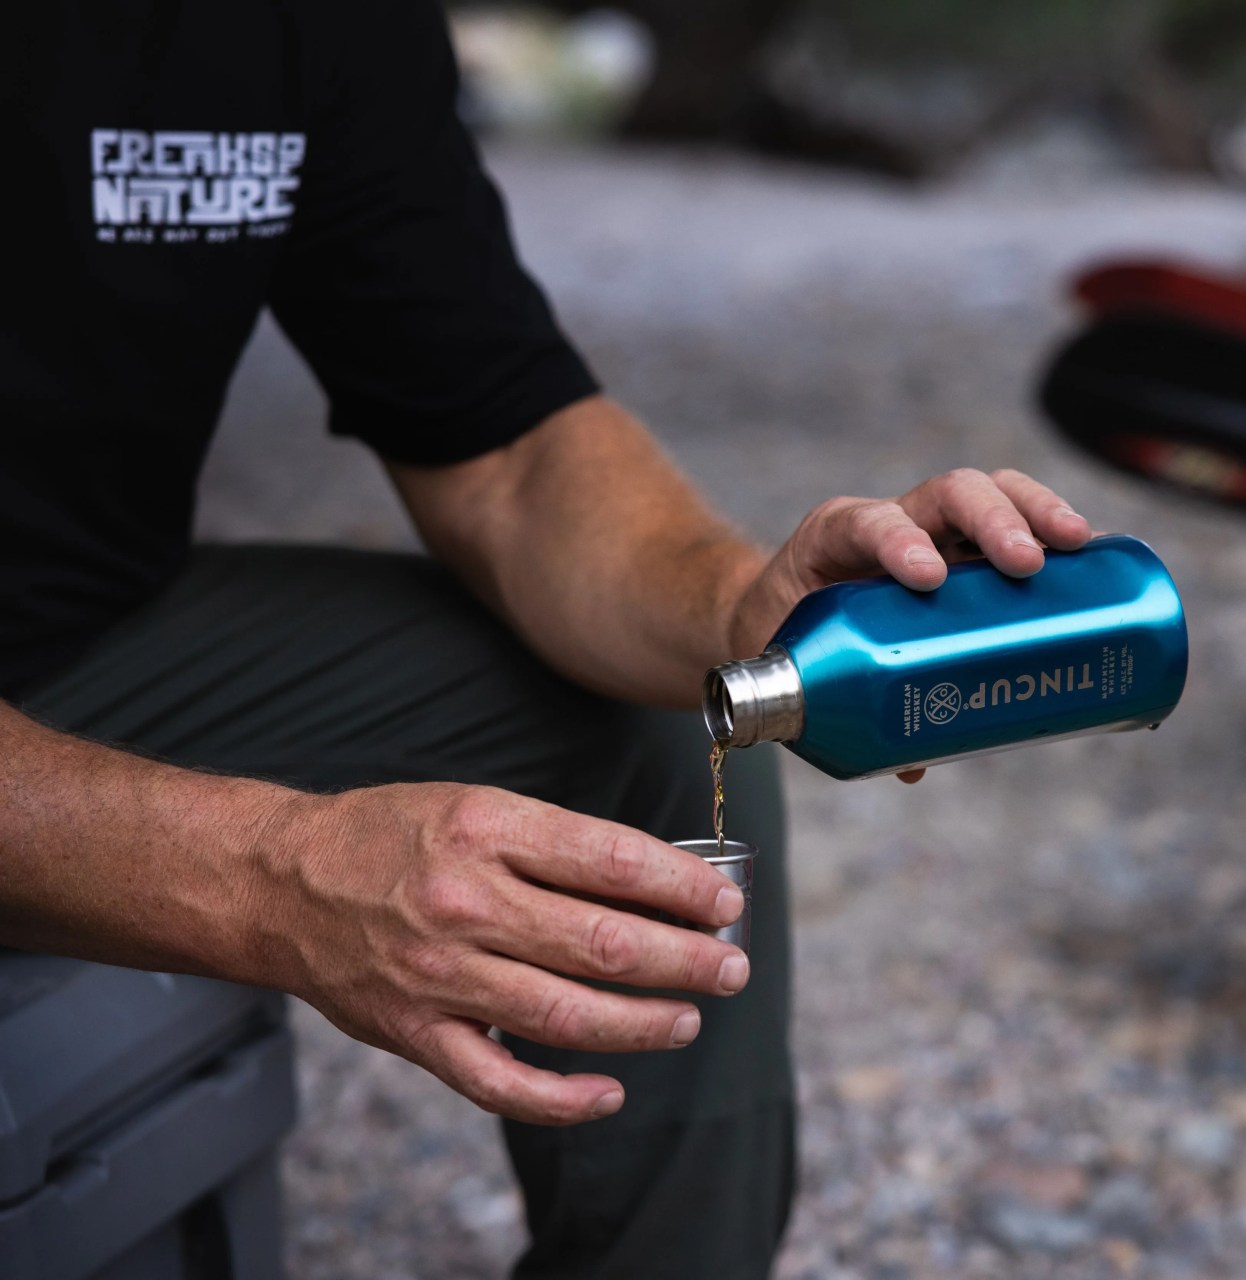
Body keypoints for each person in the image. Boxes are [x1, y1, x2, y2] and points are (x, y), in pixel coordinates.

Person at [0, 3, 1092, 1276]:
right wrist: (272, 871)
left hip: (78, 632)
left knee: (638, 719)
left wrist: (748, 608)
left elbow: (508, 452)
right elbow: (275, 872)